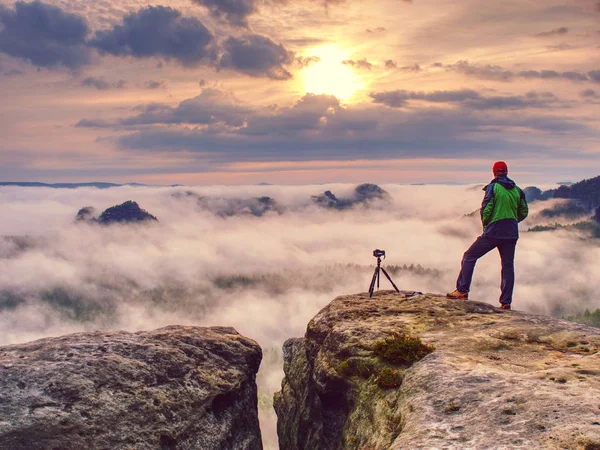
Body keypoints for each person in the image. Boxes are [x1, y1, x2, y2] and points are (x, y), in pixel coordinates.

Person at [447, 161, 528, 310]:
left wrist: (487, 226)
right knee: (507, 266)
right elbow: (524, 211)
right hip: (511, 232)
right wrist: (512, 221)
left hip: (495, 230)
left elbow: (486, 209)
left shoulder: (493, 187)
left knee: (469, 256)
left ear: (494, 172)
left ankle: (462, 291)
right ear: (507, 172)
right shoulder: (517, 190)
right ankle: (506, 303)